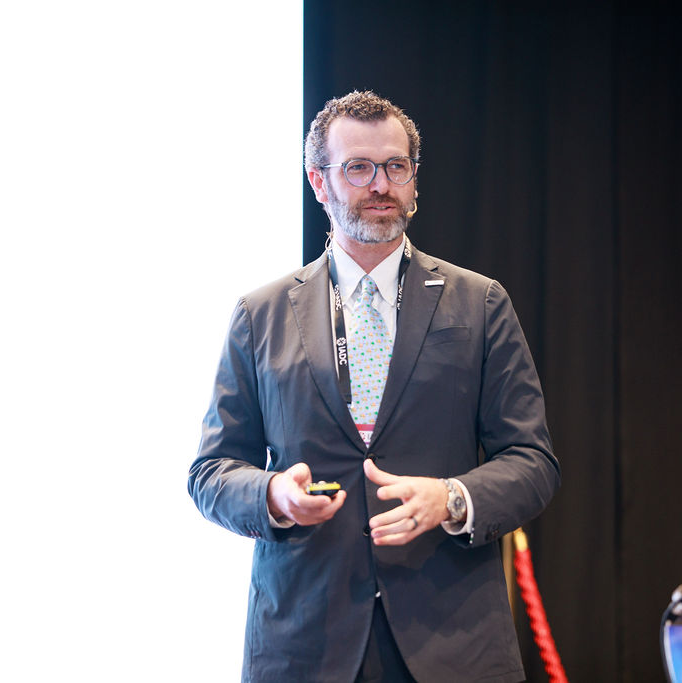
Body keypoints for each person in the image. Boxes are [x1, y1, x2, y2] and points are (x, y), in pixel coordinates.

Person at [189, 90, 559, 683]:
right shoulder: (260, 315)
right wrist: (273, 495)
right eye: (358, 168)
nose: (381, 185)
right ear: (319, 182)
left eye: (396, 166)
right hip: (305, 644)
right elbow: (211, 472)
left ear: (414, 180)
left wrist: (453, 498)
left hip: (454, 645)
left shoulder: (480, 303)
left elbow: (533, 462)